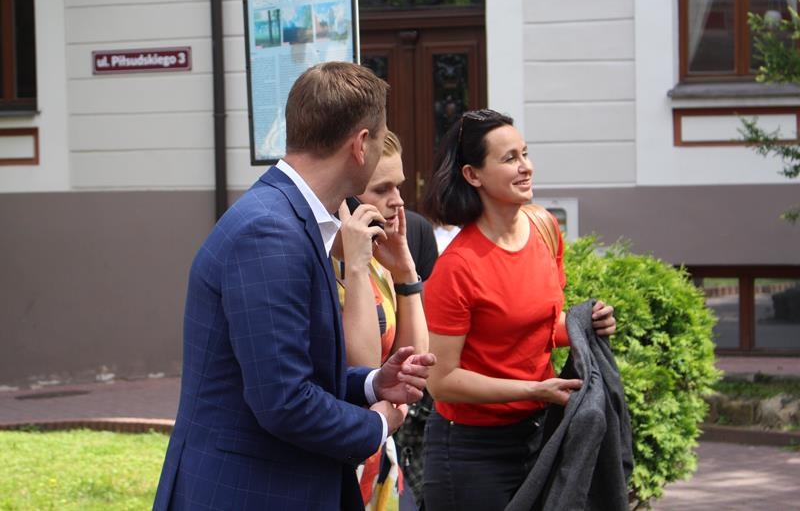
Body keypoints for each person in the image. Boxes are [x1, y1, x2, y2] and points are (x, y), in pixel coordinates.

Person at [153, 62, 436, 511]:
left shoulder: (290, 218)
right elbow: (284, 401)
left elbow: (298, 371)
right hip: (250, 494)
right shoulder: (270, 231)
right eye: (381, 137)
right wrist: (378, 424)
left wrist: (373, 383)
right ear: (361, 144)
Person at [419, 109, 616, 511]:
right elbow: (442, 381)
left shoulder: (544, 227)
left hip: (538, 435)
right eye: (510, 158)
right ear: (473, 175)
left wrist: (585, 326)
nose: (526, 167)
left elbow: (537, 326)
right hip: (471, 452)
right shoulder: (457, 267)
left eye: (525, 153)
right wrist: (533, 389)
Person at [331, 130, 429, 508]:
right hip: (340, 454)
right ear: (347, 198)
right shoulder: (327, 265)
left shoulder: (378, 261)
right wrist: (355, 266)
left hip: (377, 458)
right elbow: (364, 367)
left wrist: (406, 274)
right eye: (382, 189)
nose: (398, 200)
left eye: (398, 186)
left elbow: (413, 364)